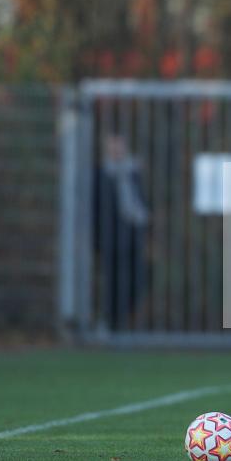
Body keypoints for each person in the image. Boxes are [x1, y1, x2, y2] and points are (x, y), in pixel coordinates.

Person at [94, 133, 149, 330]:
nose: (117, 150)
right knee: (113, 282)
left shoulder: (134, 172)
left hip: (133, 234)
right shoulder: (101, 174)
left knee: (137, 280)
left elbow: (142, 199)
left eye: (119, 145)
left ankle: (121, 320)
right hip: (111, 237)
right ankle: (111, 323)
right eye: (113, 146)